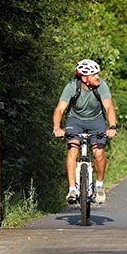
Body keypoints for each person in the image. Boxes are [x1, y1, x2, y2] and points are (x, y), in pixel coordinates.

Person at [52, 59, 118, 205]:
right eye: (94, 74)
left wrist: (112, 127)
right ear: (84, 78)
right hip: (75, 120)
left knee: (98, 152)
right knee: (73, 149)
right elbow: (60, 109)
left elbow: (109, 108)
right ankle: (72, 189)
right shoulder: (71, 86)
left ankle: (99, 186)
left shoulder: (101, 86)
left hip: (96, 120)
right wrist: (57, 127)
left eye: (97, 73)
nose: (98, 77)